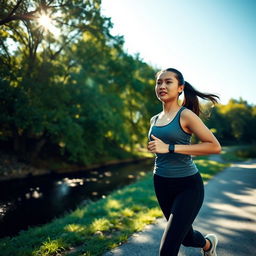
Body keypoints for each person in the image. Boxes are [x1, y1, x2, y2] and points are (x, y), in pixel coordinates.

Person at [147, 68, 221, 256]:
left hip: (188, 186)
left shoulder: (186, 115)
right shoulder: (154, 119)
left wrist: (170, 148)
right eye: (159, 82)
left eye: (168, 82)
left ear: (180, 88)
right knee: (186, 237)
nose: (162, 86)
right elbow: (159, 149)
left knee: (168, 248)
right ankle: (208, 245)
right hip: (161, 183)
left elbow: (214, 146)